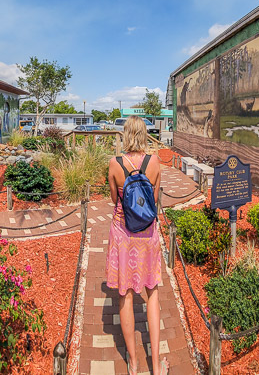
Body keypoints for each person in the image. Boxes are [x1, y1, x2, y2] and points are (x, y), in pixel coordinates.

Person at [106, 116, 168, 375]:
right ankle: (156, 365)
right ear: (143, 134)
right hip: (147, 233)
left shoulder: (114, 163)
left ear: (125, 134)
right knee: (151, 292)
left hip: (122, 233)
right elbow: (153, 201)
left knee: (125, 294)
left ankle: (133, 362)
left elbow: (114, 199)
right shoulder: (154, 163)